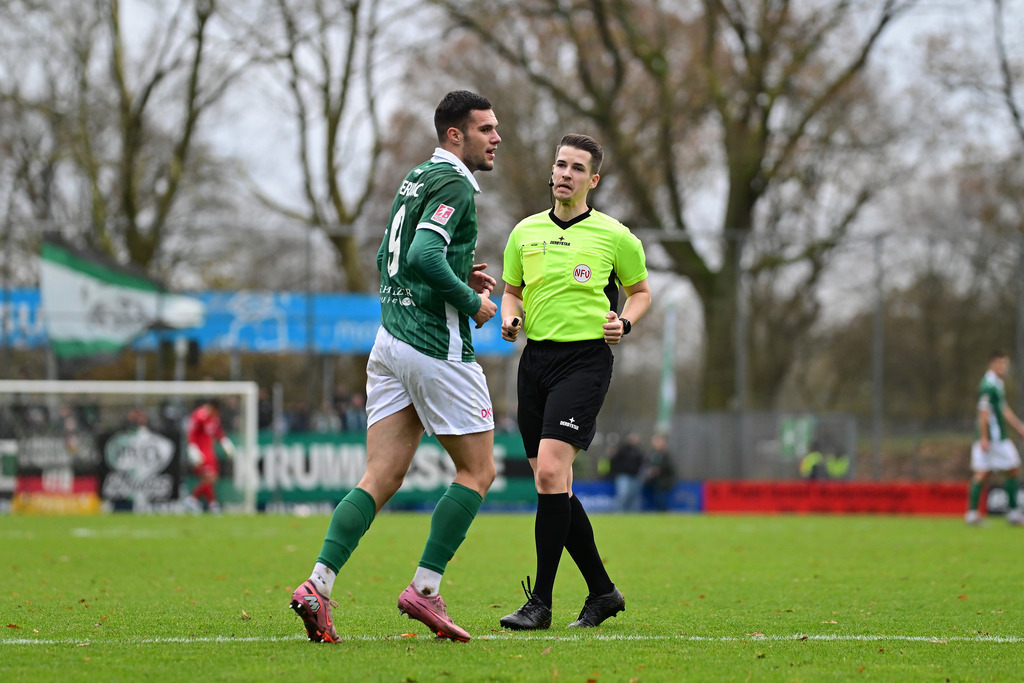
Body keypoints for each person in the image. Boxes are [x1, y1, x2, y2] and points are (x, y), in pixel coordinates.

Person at [289, 90, 501, 644]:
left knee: (380, 476)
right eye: (485, 129)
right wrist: (470, 300)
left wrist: (458, 272)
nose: (495, 138)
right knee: (478, 471)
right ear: (455, 134)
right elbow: (423, 255)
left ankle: (318, 584)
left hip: (389, 341)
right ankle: (425, 588)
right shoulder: (454, 183)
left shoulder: (416, 177)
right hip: (433, 346)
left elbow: (397, 255)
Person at [497, 133, 651, 631]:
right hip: (534, 363)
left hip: (584, 361)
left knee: (549, 474)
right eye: (561, 164)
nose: (566, 173)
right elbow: (512, 292)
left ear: (593, 180)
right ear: (552, 171)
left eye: (577, 168)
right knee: (554, 484)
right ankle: (603, 592)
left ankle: (540, 603)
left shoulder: (616, 236)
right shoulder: (524, 232)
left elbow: (641, 292)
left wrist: (624, 322)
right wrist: (510, 317)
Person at [966, 350, 1024, 526]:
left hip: (993, 438)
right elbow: (983, 412)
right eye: (1001, 364)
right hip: (994, 438)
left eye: (1005, 364)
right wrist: (985, 437)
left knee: (983, 473)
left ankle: (972, 514)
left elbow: (1003, 409)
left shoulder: (997, 384)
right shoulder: (988, 385)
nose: (1004, 368)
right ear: (992, 364)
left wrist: (1019, 427)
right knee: (1012, 468)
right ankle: (1013, 513)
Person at [183, 398, 235, 514]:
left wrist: (224, 442)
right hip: (200, 451)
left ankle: (212, 504)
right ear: (212, 408)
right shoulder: (199, 415)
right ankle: (192, 499)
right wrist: (192, 447)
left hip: (210, 451)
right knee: (210, 477)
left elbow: (218, 432)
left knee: (210, 479)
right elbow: (191, 432)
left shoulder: (214, 418)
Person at [609, 431, 646, 512]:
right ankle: (619, 513)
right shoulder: (621, 449)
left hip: (635, 476)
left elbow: (642, 462)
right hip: (623, 475)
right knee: (623, 495)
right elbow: (614, 462)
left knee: (635, 497)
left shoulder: (639, 450)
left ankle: (634, 515)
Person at [644, 433, 676, 512]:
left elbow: (670, 467)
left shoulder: (666, 454)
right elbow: (647, 464)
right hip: (654, 481)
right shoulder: (651, 453)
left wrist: (659, 470)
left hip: (663, 481)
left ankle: (663, 513)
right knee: (656, 499)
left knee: (661, 499)